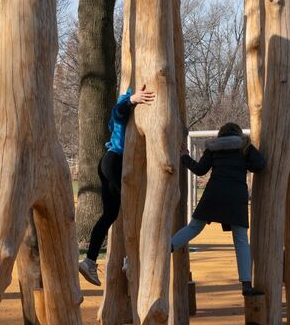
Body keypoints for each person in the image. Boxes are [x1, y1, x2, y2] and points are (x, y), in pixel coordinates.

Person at [172, 122, 265, 296]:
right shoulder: (244, 147)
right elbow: (259, 165)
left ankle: (166, 248)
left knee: (194, 228)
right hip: (236, 196)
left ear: (220, 134)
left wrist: (184, 156)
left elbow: (200, 170)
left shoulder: (213, 148)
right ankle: (246, 284)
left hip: (213, 193)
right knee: (241, 240)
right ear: (238, 133)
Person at [78, 85, 155, 286]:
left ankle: (89, 261)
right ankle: (130, 259)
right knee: (134, 207)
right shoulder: (128, 100)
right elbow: (118, 112)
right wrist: (132, 99)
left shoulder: (130, 104)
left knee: (110, 214)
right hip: (115, 162)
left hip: (108, 161)